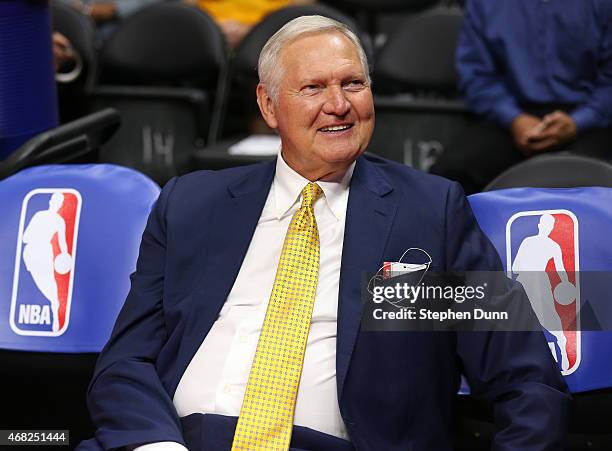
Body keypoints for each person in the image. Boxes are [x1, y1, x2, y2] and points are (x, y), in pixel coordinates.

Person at [79, 15, 569, 451]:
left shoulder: (429, 213)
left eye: (353, 83)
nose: (338, 105)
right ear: (269, 107)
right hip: (176, 438)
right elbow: (126, 361)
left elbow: (524, 377)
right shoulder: (190, 203)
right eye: (313, 88)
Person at [431, 0, 612, 194]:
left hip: (589, 118)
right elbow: (476, 75)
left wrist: (578, 122)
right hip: (509, 116)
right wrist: (514, 118)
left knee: (586, 179)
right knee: (450, 175)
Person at [512, 214, 576, 372]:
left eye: (550, 225)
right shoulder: (529, 242)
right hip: (525, 282)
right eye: (546, 224)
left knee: (549, 319)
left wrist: (566, 283)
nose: (547, 227)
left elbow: (560, 268)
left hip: (539, 282)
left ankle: (562, 350)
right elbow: (514, 267)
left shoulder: (553, 246)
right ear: (540, 225)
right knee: (521, 320)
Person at [22, 193, 71, 332]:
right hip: (33, 252)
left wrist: (65, 256)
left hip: (42, 251)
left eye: (58, 201)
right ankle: (54, 307)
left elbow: (63, 244)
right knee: (41, 285)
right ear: (52, 201)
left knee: (49, 285)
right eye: (55, 200)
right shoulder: (41, 216)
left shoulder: (57, 220)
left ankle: (55, 312)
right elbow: (25, 237)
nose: (56, 203)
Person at [187, 0, 315, 49]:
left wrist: (252, 31)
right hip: (211, 26)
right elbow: (185, 6)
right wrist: (209, 28)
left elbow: (303, 8)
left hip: (269, 29)